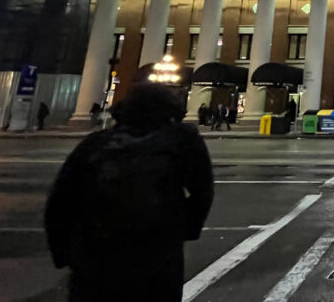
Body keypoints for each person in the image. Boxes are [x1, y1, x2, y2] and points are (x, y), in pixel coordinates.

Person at [44, 82, 213, 302]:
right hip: (157, 255)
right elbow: (203, 193)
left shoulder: (96, 144)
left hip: (96, 258)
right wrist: (184, 228)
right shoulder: (181, 142)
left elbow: (59, 203)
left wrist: (64, 254)